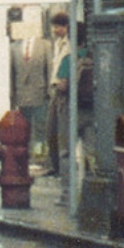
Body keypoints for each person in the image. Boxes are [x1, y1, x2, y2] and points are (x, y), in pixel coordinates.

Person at [11, 21, 53, 163]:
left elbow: (49, 68)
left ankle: (40, 158)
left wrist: (49, 90)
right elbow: (12, 72)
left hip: (40, 93)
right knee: (24, 127)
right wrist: (12, 93)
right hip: (21, 93)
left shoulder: (45, 45)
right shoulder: (14, 47)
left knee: (41, 127)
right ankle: (25, 156)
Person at [44, 13, 73, 176]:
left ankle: (62, 170)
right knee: (51, 129)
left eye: (57, 27)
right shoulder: (57, 44)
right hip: (55, 89)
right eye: (53, 27)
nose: (54, 30)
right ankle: (54, 166)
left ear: (66, 26)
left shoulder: (71, 43)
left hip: (65, 91)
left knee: (62, 131)